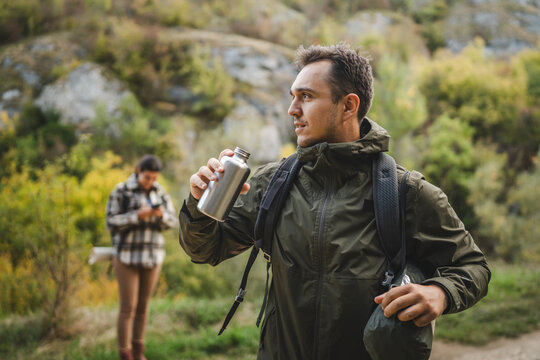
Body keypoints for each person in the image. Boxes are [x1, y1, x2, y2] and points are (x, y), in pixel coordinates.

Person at [178, 43, 491, 359]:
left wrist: (440, 293)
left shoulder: (404, 191)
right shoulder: (272, 183)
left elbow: (472, 267)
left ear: (348, 105)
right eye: (293, 96)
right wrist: (198, 205)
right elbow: (205, 248)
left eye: (307, 96)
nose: (293, 109)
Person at [106, 155, 178, 360]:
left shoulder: (160, 191)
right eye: (147, 177)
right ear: (139, 171)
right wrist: (137, 215)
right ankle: (125, 353)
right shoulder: (121, 191)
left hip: (152, 256)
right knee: (128, 307)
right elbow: (111, 222)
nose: (151, 182)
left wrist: (159, 216)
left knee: (143, 307)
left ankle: (139, 352)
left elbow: (172, 222)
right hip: (126, 256)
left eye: (154, 178)